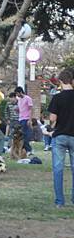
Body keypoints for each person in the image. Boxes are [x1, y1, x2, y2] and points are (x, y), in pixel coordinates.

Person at [49, 69, 74, 208]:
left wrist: (51, 129)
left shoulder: (57, 98)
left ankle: (59, 201)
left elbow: (53, 119)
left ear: (60, 82)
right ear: (71, 81)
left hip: (60, 136)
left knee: (58, 169)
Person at [15, 86, 34, 155]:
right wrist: (17, 110)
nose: (17, 95)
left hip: (26, 119)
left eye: (17, 93)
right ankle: (25, 150)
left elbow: (31, 109)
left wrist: (30, 120)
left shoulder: (28, 98)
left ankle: (29, 150)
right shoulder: (19, 100)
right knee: (20, 136)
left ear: (20, 92)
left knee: (24, 135)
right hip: (20, 119)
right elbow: (20, 109)